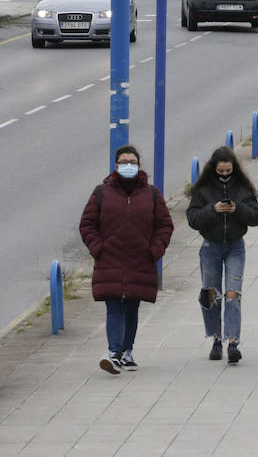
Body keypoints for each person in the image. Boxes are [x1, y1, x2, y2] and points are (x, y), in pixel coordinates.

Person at [79, 145, 173, 375]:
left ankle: (126, 351)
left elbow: (164, 225)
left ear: (139, 165)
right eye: (123, 162)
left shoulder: (151, 194)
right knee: (114, 306)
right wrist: (98, 248)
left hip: (140, 261)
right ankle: (114, 352)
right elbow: (87, 224)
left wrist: (155, 250)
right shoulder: (102, 192)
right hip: (110, 260)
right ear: (115, 165)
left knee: (132, 306)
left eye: (132, 161)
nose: (128, 165)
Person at [186, 146, 258, 364]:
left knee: (232, 294)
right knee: (211, 294)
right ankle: (215, 339)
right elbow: (193, 218)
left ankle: (233, 342)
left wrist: (237, 209)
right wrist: (213, 210)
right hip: (210, 247)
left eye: (228, 171)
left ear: (234, 169)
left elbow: (257, 217)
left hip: (235, 247)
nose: (224, 175)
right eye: (220, 171)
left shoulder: (243, 187)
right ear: (213, 169)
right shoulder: (203, 189)